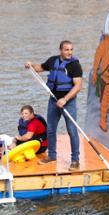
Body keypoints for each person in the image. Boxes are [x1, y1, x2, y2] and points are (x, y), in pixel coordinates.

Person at [25, 41, 83, 171]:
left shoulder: (75, 65)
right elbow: (40, 68)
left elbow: (78, 86)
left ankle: (75, 160)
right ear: (60, 50)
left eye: (71, 49)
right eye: (67, 50)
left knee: (72, 131)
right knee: (50, 129)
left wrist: (65, 99)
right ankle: (52, 155)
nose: (69, 52)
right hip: (53, 100)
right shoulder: (53, 61)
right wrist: (31, 65)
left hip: (68, 102)